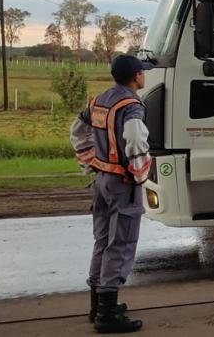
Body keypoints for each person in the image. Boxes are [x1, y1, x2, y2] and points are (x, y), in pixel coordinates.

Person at [70, 54, 152, 334]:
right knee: (122, 243)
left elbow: (77, 130)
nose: (144, 75)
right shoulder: (132, 105)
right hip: (122, 183)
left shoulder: (99, 100)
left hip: (102, 180)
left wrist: (90, 160)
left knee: (102, 240)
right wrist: (139, 172)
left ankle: (97, 305)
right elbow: (136, 136)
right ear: (136, 76)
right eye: (143, 72)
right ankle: (107, 315)